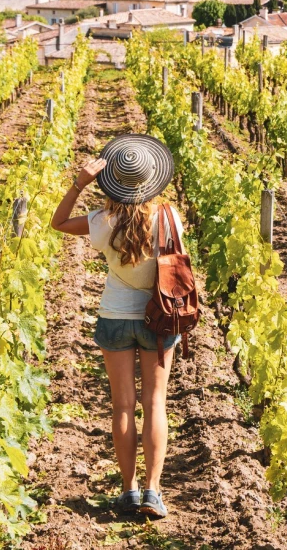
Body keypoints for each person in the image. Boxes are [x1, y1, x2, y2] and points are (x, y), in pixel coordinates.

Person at [51, 134, 181, 519]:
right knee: (155, 403)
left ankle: (128, 490)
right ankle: (153, 492)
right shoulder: (168, 218)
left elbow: (57, 222)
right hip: (158, 319)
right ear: (152, 180)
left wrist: (79, 182)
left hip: (114, 318)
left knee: (122, 406)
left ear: (112, 182)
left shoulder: (100, 222)